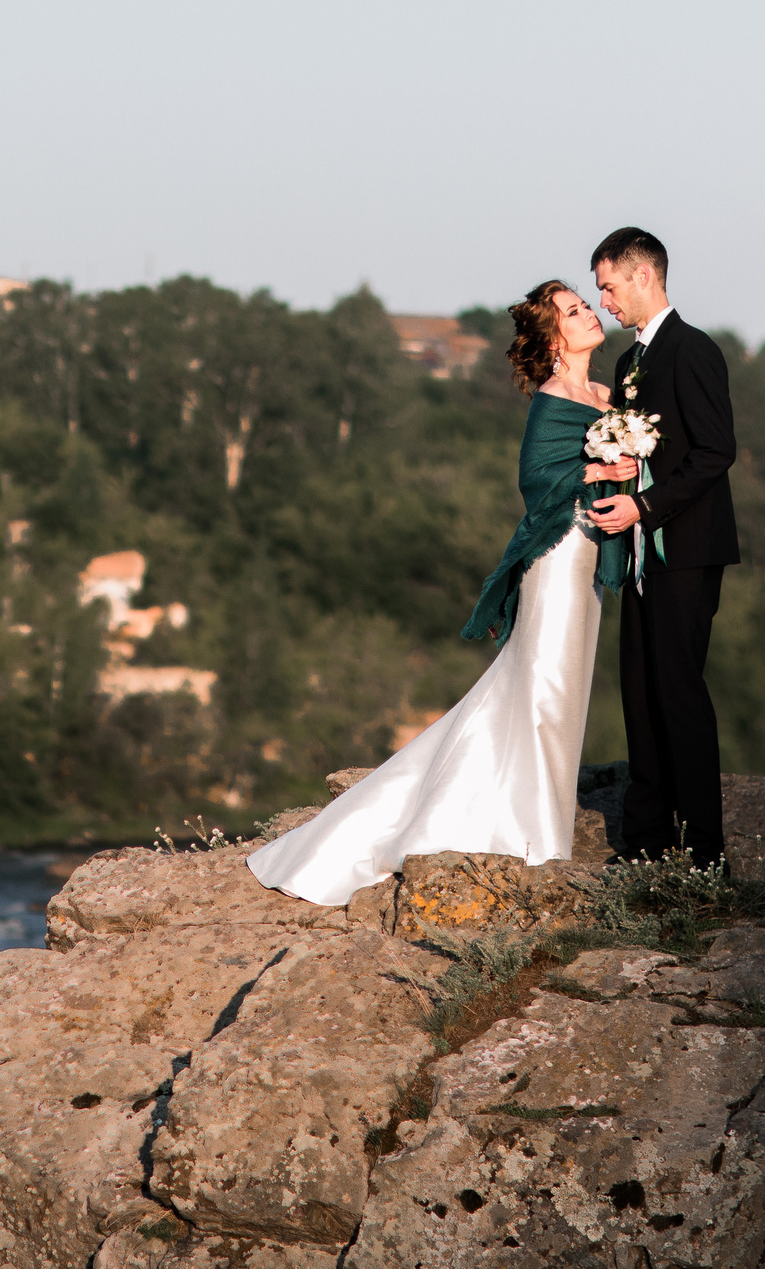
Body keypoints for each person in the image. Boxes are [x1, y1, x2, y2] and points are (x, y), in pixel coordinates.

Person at [245, 280, 637, 907]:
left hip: (591, 552)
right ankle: (539, 842)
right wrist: (597, 469)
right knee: (543, 688)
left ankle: (536, 823)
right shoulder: (554, 397)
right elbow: (537, 480)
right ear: (552, 338)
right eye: (573, 310)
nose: (588, 314)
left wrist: (626, 469)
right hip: (558, 554)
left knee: (566, 692)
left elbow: (616, 468)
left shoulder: (606, 397)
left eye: (586, 305)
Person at [587, 228, 739, 870]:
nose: (604, 302)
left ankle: (706, 850)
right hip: (640, 553)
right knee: (640, 687)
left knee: (679, 691)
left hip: (688, 548)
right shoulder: (628, 363)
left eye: (608, 287)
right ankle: (646, 837)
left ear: (643, 276)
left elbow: (716, 452)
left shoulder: (693, 349)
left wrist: (644, 507)